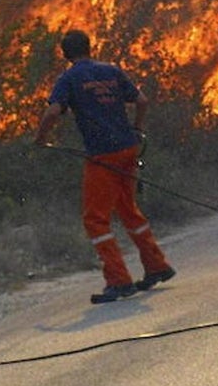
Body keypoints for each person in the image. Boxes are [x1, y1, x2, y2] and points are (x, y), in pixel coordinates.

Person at [34, 29, 176, 304]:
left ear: (65, 54)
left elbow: (53, 111)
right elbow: (142, 101)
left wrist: (40, 138)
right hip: (128, 148)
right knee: (128, 210)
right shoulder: (111, 71)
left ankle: (119, 281)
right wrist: (137, 127)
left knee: (95, 219)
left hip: (103, 155)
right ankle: (157, 266)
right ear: (90, 47)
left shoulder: (70, 78)